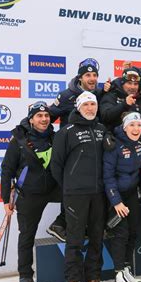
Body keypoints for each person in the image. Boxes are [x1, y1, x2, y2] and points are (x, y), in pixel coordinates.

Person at [0, 101, 61, 282]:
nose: (44, 119)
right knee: (27, 235)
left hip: (52, 188)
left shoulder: (56, 137)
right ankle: (25, 276)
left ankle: (59, 225)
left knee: (77, 197)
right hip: (29, 194)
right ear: (31, 119)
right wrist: (5, 200)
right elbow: (7, 170)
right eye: (39, 116)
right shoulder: (18, 141)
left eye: (46, 116)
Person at [51, 91, 107, 282]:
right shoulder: (67, 131)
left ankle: (93, 275)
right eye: (86, 105)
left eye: (93, 104)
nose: (91, 108)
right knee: (74, 236)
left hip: (98, 192)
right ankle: (73, 279)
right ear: (78, 107)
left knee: (96, 235)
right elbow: (56, 165)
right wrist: (70, 185)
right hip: (75, 193)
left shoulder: (101, 129)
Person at [46, 58, 106, 242]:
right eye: (88, 75)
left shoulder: (100, 94)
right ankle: (59, 225)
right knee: (71, 189)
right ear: (80, 77)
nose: (92, 78)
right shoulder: (66, 96)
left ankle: (80, 227)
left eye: (95, 75)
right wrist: (50, 139)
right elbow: (48, 115)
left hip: (91, 145)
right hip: (69, 147)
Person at [103, 112, 141, 282]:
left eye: (139, 125)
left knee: (133, 232)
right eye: (132, 125)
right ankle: (118, 273)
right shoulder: (114, 145)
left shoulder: (140, 144)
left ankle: (127, 269)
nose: (136, 129)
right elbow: (108, 177)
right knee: (120, 234)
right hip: (116, 196)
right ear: (125, 127)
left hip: (131, 194)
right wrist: (116, 202)